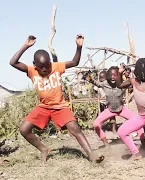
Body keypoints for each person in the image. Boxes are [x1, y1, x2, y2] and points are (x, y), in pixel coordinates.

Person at [9, 35, 104, 163]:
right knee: (24, 129)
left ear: (50, 62)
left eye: (47, 65)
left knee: (76, 129)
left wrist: (79, 47)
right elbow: (13, 62)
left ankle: (92, 156)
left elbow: (74, 62)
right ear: (35, 65)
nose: (45, 69)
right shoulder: (31, 71)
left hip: (60, 106)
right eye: (41, 67)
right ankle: (44, 149)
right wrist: (26, 46)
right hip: (44, 107)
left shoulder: (57, 67)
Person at [85, 67, 145, 148]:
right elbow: (97, 83)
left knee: (139, 123)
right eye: (111, 75)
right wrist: (90, 79)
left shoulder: (122, 84)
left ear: (119, 76)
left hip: (121, 109)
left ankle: (144, 145)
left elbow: (133, 82)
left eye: (115, 75)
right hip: (110, 110)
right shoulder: (105, 84)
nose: (113, 77)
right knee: (96, 124)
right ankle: (107, 145)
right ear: (107, 76)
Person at [93, 71, 117, 135]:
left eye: (103, 78)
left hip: (109, 102)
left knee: (112, 116)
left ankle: (113, 130)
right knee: (100, 115)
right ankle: (98, 128)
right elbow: (94, 90)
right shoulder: (99, 84)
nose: (101, 79)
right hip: (102, 102)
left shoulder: (110, 84)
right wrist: (97, 96)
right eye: (100, 78)